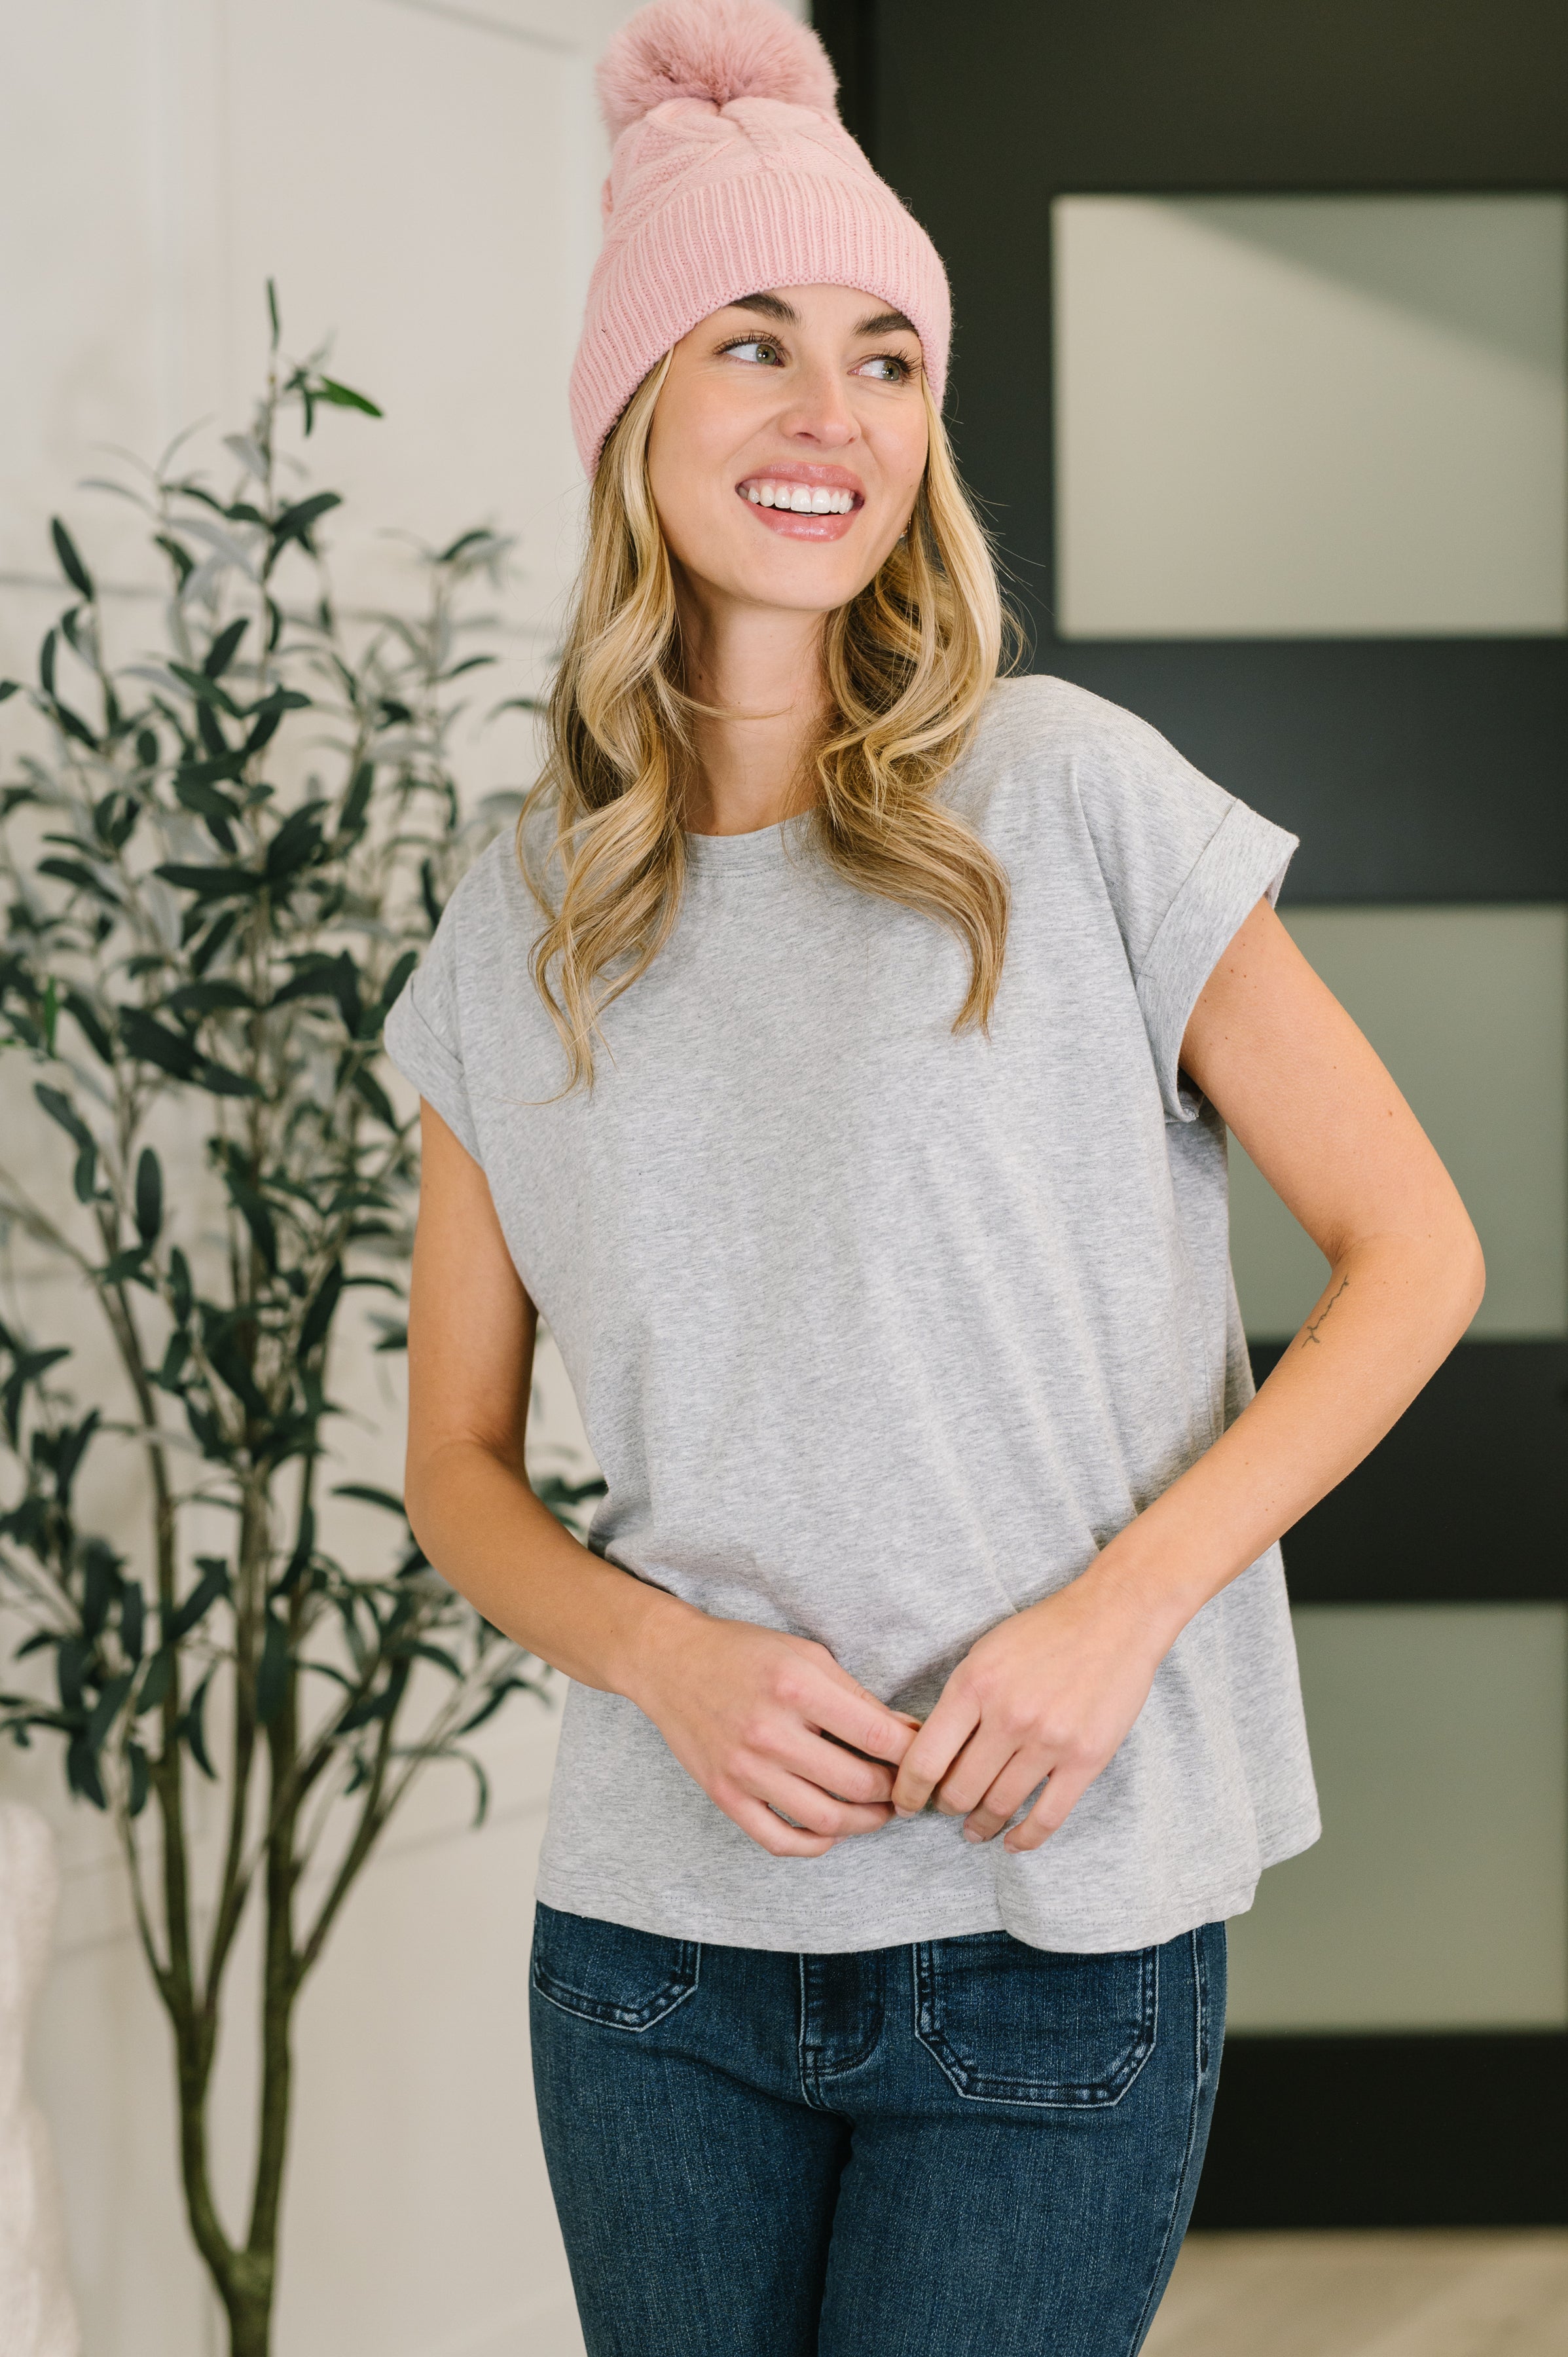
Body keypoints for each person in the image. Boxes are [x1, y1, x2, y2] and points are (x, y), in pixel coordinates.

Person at [383, 4, 1484, 2350]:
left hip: (1049, 1922)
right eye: (756, 341)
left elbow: (1414, 1253)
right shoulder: (522, 912)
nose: (830, 415)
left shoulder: (1071, 798)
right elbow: (457, 1468)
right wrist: (660, 1656)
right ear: (629, 410)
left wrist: (1116, 1618)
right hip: (655, 1962)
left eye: (888, 358)